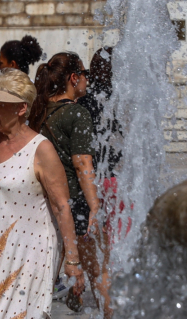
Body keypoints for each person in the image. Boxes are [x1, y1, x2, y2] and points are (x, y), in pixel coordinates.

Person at [0, 69, 85, 319]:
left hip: (29, 255)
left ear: (21, 109)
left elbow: (62, 207)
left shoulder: (42, 150)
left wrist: (72, 261)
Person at [30, 52, 114, 319]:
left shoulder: (39, 111)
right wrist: (94, 206)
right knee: (99, 272)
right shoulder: (77, 113)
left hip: (43, 202)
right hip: (74, 202)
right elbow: (82, 163)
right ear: (73, 78)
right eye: (84, 74)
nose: (88, 80)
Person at [77, 46, 129, 241]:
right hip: (117, 178)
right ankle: (109, 270)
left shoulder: (83, 101)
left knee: (92, 233)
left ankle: (98, 271)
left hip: (90, 178)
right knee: (116, 234)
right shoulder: (124, 100)